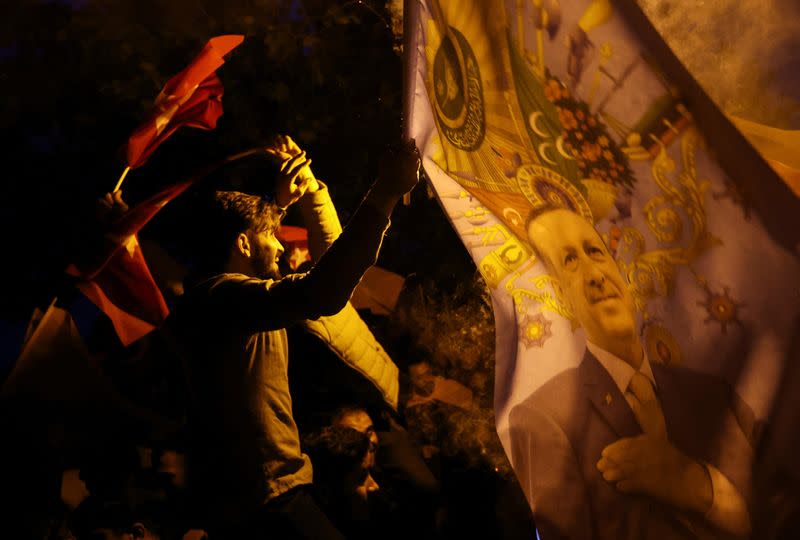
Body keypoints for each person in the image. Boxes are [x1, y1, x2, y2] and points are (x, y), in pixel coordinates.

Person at [167, 135, 419, 538]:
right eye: (273, 238)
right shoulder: (222, 298)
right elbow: (323, 288)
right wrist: (385, 192)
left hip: (263, 494)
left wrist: (286, 198)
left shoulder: (224, 298)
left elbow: (288, 263)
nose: (283, 250)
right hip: (265, 499)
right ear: (244, 244)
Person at [508, 207, 758, 539]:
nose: (595, 275)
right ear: (559, 297)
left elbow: (778, 507)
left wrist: (702, 486)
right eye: (569, 261)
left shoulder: (711, 392)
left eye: (595, 251)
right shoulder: (546, 419)